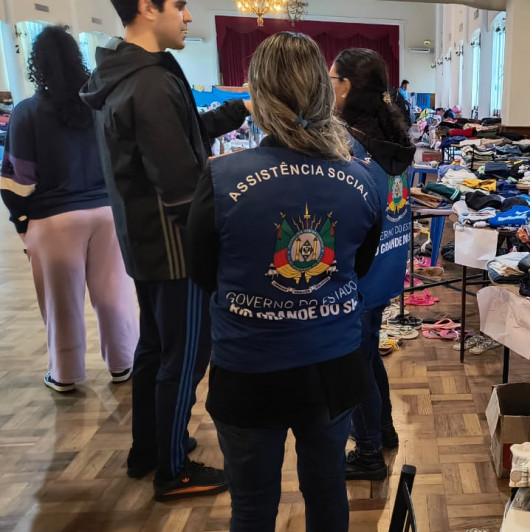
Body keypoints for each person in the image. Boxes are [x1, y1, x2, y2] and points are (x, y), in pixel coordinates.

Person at [185, 32, 382, 531]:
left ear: (258, 96)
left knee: (251, 507)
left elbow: (203, 274)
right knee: (327, 491)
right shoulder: (361, 179)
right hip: (332, 365)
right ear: (321, 91)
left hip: (249, 368)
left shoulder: (220, 178)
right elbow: (358, 268)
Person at [80, 0, 250, 500]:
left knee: (154, 351)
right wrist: (219, 247)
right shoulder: (149, 82)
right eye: (180, 5)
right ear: (148, 9)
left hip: (143, 241)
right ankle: (173, 469)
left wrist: (239, 108)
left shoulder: (127, 70)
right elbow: (181, 189)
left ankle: (150, 447)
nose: (188, 16)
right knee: (186, 357)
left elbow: (182, 134)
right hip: (176, 249)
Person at [0, 26, 138, 393]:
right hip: (108, 214)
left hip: (54, 220)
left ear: (37, 65)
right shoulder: (100, 105)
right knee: (115, 297)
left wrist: (21, 223)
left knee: (61, 304)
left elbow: (17, 181)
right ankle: (125, 363)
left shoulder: (26, 113)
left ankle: (64, 375)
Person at [331, 48, 416, 480]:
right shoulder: (394, 139)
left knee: (357, 361)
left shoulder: (346, 145)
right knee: (367, 356)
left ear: (346, 86)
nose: (328, 87)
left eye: (332, 80)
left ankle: (367, 454)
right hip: (388, 265)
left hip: (360, 273)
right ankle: (382, 430)